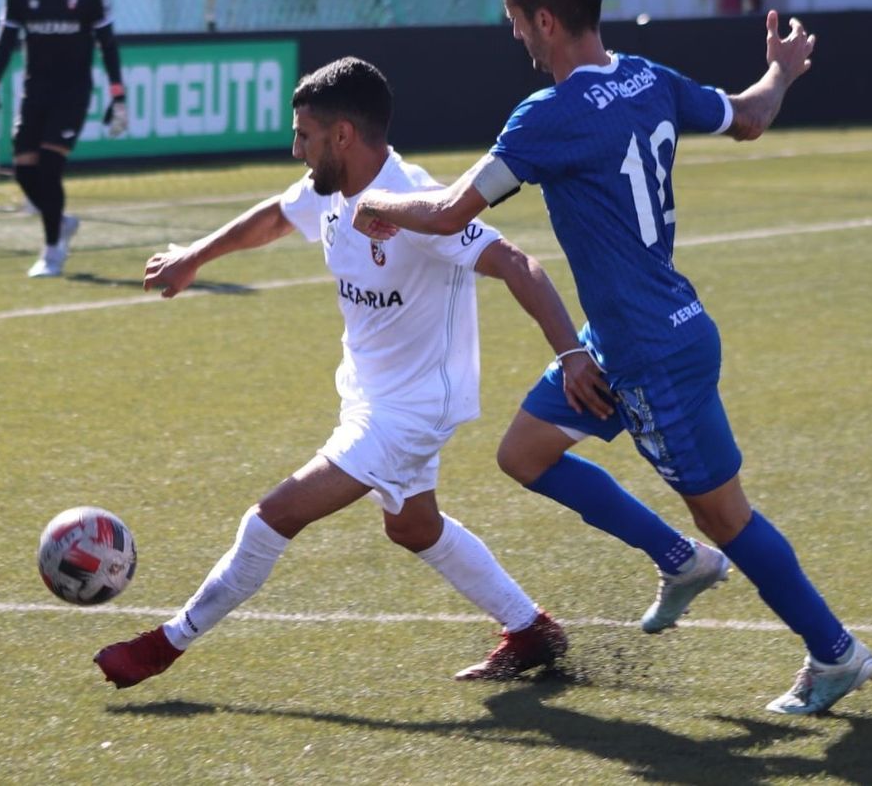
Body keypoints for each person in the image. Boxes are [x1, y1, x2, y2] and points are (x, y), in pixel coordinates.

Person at [351, 0, 872, 715]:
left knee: (725, 515)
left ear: (545, 20)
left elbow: (449, 209)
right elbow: (751, 118)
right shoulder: (648, 77)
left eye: (517, 21)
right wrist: (783, 69)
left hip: (653, 353)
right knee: (525, 452)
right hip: (622, 335)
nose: (516, 36)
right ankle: (678, 560)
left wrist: (376, 205)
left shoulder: (548, 115)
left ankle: (835, 653)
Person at [93, 57, 585, 688]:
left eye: (304, 134)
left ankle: (165, 644)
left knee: (275, 514)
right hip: (367, 394)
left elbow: (516, 263)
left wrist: (571, 355)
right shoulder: (331, 188)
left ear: (343, 135)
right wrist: (195, 256)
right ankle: (530, 629)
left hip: (413, 408)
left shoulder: (421, 202)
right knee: (412, 525)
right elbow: (277, 213)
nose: (295, 147)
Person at [0, 0, 128, 278]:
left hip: (73, 92)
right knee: (24, 171)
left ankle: (52, 253)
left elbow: (107, 44)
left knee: (49, 167)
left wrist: (118, 96)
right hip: (34, 91)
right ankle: (60, 222)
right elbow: (5, 42)